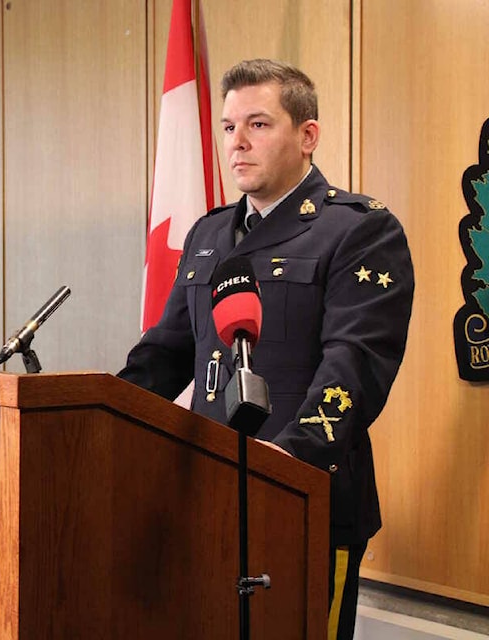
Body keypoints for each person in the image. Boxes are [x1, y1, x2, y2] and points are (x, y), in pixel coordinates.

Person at [118, 59, 414, 640]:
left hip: (302, 501)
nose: (237, 143)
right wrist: (96, 413)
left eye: (258, 124)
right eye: (229, 128)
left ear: (307, 136)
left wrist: (282, 468)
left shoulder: (358, 230)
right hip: (204, 498)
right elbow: (166, 353)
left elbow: (354, 368)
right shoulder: (208, 234)